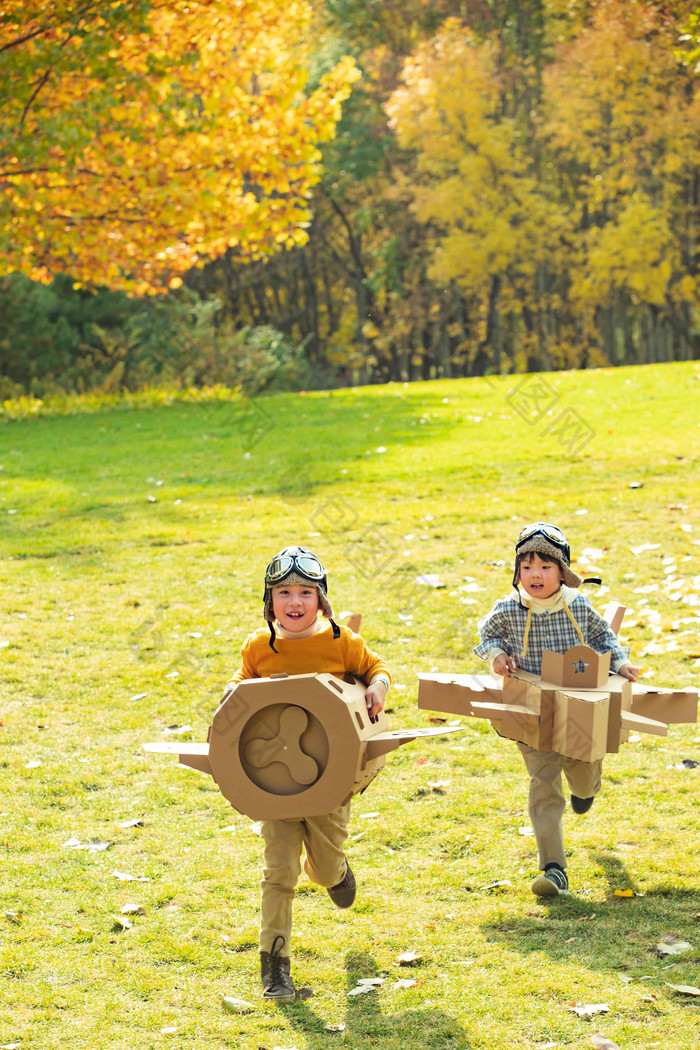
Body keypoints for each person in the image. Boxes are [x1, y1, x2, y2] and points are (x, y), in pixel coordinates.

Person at [223, 545, 391, 999]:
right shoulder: (260, 647)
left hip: (329, 783)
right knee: (279, 872)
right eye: (283, 593)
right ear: (269, 601)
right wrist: (231, 690)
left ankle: (335, 873)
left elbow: (377, 668)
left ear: (320, 600)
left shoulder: (340, 641)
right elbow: (241, 684)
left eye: (304, 592)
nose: (294, 603)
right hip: (274, 781)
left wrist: (377, 686)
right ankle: (274, 969)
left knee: (321, 868)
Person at [474, 522, 638, 898]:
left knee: (580, 767)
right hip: (530, 707)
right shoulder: (509, 609)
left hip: (578, 705)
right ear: (517, 572)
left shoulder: (578, 605)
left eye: (545, 566)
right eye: (527, 566)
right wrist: (497, 654)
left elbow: (603, 638)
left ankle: (587, 787)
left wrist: (622, 663)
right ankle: (553, 867)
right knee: (543, 783)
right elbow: (485, 636)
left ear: (562, 572)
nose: (535, 574)